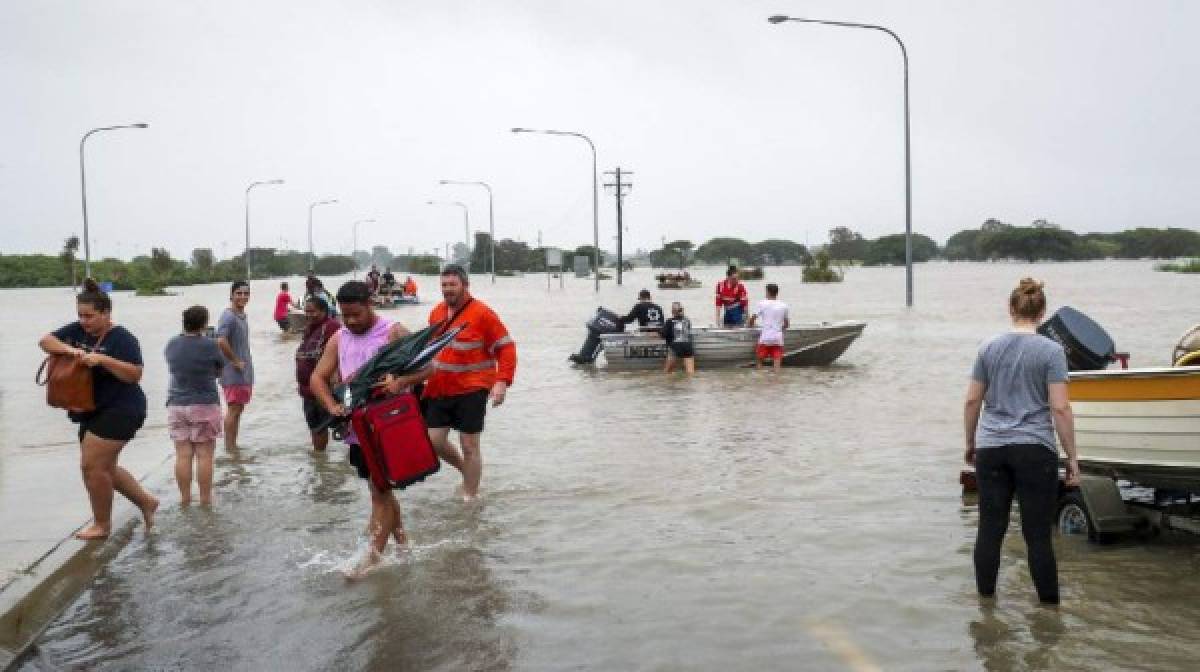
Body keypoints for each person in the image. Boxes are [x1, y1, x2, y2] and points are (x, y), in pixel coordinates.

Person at [964, 277, 1081, 606]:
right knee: (1038, 535)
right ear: (1042, 312)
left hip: (992, 448)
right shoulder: (1052, 351)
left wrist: (970, 442)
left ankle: (986, 608)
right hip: (1034, 449)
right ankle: (1048, 614)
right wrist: (1072, 459)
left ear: (1010, 309)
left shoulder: (988, 348)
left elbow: (972, 401)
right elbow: (1060, 407)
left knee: (990, 529)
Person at [310, 281, 429, 579]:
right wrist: (331, 406)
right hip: (357, 429)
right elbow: (317, 378)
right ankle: (403, 543)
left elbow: (432, 367)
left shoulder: (393, 331)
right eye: (345, 315)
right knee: (380, 490)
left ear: (370, 304)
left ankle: (372, 558)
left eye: (356, 315)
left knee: (380, 492)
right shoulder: (339, 337)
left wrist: (401, 382)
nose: (350, 321)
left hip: (388, 428)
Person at [38, 279, 159, 540]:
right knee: (105, 468)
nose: (84, 321)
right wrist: (71, 351)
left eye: (90, 316)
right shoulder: (76, 331)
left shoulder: (123, 339)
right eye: (80, 315)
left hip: (123, 408)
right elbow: (46, 341)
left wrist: (102, 359)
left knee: (92, 467)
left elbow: (134, 374)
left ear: (106, 314)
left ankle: (102, 525)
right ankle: (146, 502)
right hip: (89, 409)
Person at [424, 264, 517, 502]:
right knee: (433, 442)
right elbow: (428, 350)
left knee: (469, 445)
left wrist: (502, 382)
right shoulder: (435, 313)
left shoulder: (483, 314)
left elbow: (506, 348)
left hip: (472, 388)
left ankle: (470, 497)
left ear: (465, 285)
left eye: (452, 284)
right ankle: (467, 472)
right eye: (444, 285)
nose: (447, 290)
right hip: (439, 386)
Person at [164, 306, 224, 506]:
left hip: (176, 404)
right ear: (204, 323)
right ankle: (205, 500)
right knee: (204, 455)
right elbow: (219, 370)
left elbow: (174, 367)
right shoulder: (211, 345)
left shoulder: (171, 344)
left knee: (182, 455)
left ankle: (185, 499)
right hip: (204, 404)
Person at [295, 295, 341, 451]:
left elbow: (340, 355)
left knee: (331, 427)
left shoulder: (332, 327)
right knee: (315, 428)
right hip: (307, 391)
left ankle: (324, 465)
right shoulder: (309, 329)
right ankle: (320, 463)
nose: (308, 315)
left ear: (324, 311)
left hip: (324, 390)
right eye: (306, 311)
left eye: (312, 311)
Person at [217, 281, 253, 451]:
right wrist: (235, 360)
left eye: (246, 293)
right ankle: (229, 448)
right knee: (233, 409)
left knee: (238, 409)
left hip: (244, 371)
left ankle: (233, 447)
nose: (243, 296)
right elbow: (221, 340)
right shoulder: (228, 316)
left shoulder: (241, 315)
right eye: (239, 293)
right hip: (233, 371)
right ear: (231, 295)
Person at [748, 283, 790, 372]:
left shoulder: (762, 303)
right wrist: (780, 329)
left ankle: (760, 378)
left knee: (759, 361)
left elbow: (753, 318)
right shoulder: (784, 306)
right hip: (777, 338)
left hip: (765, 338)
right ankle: (776, 380)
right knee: (777, 363)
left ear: (768, 292)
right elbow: (786, 325)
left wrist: (750, 325)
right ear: (776, 293)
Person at [661, 301, 695, 375]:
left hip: (675, 346)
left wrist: (658, 333)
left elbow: (664, 334)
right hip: (687, 345)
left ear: (672, 311)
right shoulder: (687, 320)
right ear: (682, 309)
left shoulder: (669, 321)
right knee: (690, 373)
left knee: (667, 372)